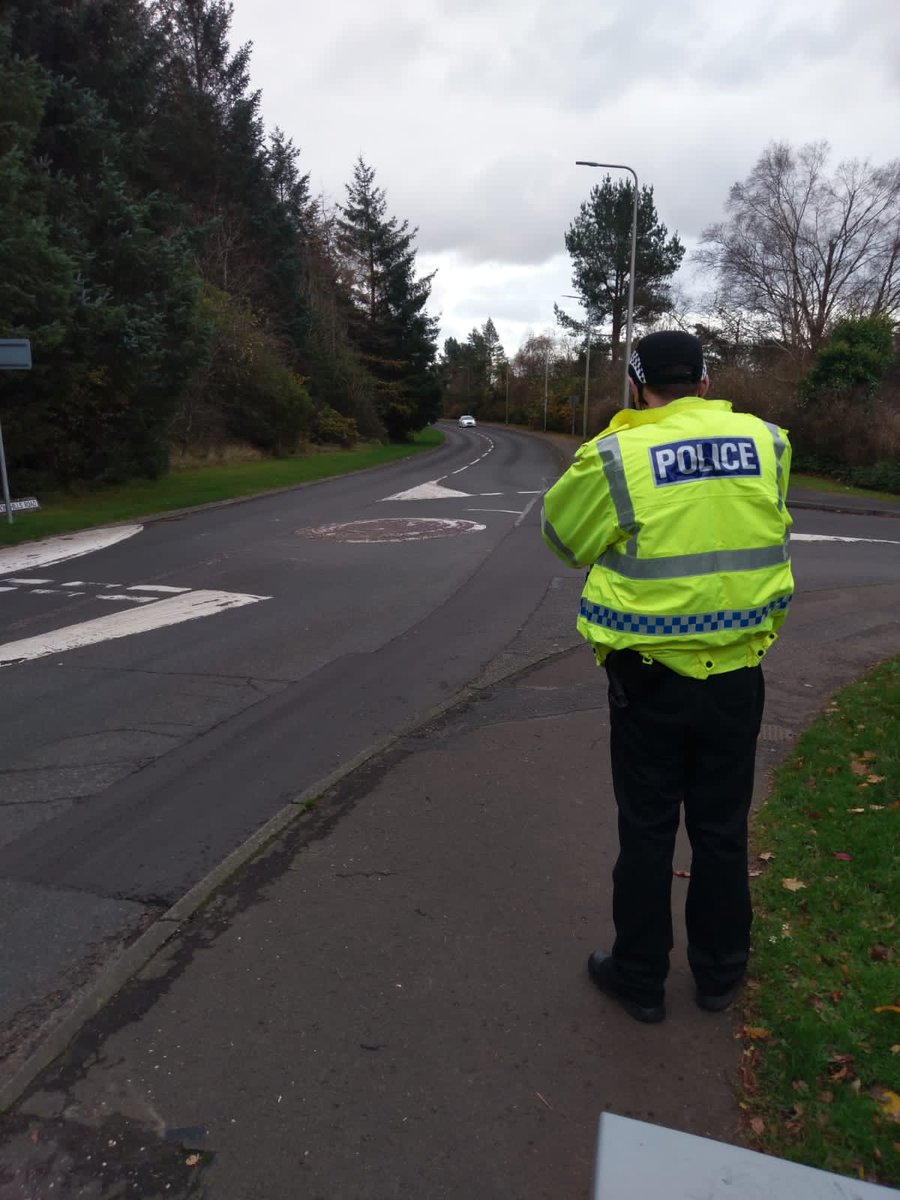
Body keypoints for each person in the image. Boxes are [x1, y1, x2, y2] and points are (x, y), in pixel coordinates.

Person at [541, 330, 793, 1023]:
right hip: (738, 674)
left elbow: (562, 540)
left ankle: (640, 977)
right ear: (706, 383)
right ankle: (720, 975)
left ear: (635, 386)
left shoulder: (616, 455)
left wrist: (620, 435)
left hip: (649, 681)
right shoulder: (769, 443)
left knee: (647, 832)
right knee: (722, 831)